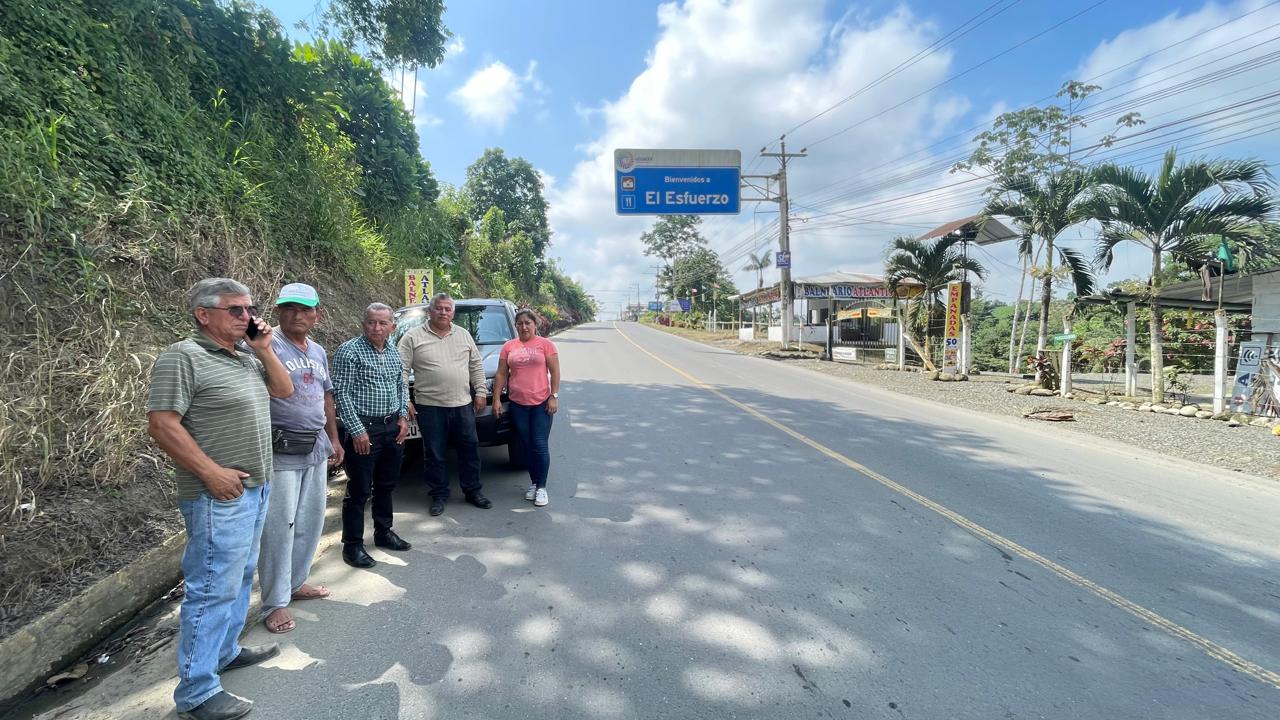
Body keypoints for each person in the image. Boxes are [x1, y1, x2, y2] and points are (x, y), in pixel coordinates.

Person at [147, 278, 294, 720]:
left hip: (255, 488)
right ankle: (197, 691)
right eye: (235, 310)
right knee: (212, 588)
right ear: (203, 314)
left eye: (249, 309)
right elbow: (162, 424)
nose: (246, 316)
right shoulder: (183, 356)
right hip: (217, 496)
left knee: (240, 577)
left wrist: (264, 348)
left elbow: (284, 390)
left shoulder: (245, 357)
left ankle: (225, 651)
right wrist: (211, 472)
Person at [254, 283, 342, 634]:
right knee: (279, 528)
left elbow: (326, 397)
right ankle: (275, 602)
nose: (297, 315)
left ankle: (294, 583)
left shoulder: (317, 351)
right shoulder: (265, 344)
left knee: (310, 521)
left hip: (316, 446)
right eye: (289, 307)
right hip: (280, 448)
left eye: (305, 309)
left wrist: (334, 438)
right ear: (278, 311)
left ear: (317, 315)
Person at [332, 303, 412, 569]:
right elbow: (341, 394)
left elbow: (401, 386)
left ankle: (383, 532)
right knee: (359, 490)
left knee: (386, 485)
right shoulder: (349, 351)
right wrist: (357, 431)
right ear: (363, 323)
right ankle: (352, 545)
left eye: (382, 323)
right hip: (364, 429)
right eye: (371, 322)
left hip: (392, 427)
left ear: (392, 326)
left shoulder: (393, 350)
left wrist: (403, 417)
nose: (376, 328)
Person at [397, 293, 492, 516]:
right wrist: (405, 400)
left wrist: (480, 391)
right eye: (438, 308)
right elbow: (400, 371)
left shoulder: (463, 334)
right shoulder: (412, 337)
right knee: (434, 453)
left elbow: (476, 365)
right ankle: (439, 494)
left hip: (462, 404)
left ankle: (473, 490)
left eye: (448, 309)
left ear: (453, 313)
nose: (443, 312)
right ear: (430, 311)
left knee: (469, 449)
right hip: (430, 406)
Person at [493, 309, 560, 507]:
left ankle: (542, 487)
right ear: (516, 326)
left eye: (527, 323)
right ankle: (534, 483)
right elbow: (501, 374)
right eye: (520, 323)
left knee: (539, 444)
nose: (524, 327)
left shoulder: (546, 344)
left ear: (535, 324)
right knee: (526, 445)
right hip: (518, 404)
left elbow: (555, 372)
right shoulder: (509, 346)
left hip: (541, 403)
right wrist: (496, 399)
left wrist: (554, 396)